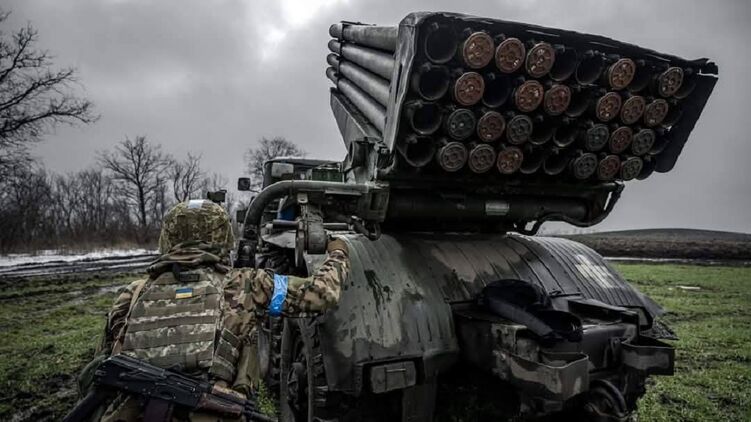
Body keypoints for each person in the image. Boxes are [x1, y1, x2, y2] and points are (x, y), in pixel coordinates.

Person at [78, 199, 350, 421]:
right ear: (223, 239)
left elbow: (95, 371)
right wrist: (338, 253)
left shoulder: (132, 293)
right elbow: (321, 294)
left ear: (168, 238)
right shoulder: (246, 285)